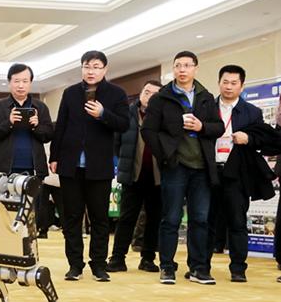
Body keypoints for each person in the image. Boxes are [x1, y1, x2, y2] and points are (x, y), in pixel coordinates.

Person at [141, 51, 224, 285]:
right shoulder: (161, 98)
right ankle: (167, 267)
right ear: (174, 69)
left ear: (196, 69)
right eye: (178, 65)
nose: (182, 70)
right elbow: (148, 130)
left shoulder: (206, 97)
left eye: (187, 65)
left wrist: (201, 126)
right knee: (171, 218)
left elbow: (218, 127)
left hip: (202, 168)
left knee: (200, 219)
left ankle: (198, 268)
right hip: (175, 167)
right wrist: (165, 156)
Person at [50, 51, 129, 282]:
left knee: (99, 217)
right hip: (70, 164)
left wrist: (103, 114)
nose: (90, 71)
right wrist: (54, 156)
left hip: (99, 165)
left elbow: (124, 124)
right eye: (86, 66)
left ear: (105, 69)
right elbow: (61, 126)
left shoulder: (116, 93)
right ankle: (75, 265)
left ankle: (98, 265)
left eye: (96, 67)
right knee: (72, 217)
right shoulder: (70, 92)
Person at [205, 65, 264, 282]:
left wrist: (248, 139)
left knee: (237, 222)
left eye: (233, 83)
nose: (228, 87)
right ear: (219, 83)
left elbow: (262, 139)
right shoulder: (207, 108)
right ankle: (201, 266)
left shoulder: (252, 112)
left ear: (242, 86)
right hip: (209, 172)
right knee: (205, 221)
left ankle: (238, 269)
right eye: (225, 82)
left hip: (236, 173)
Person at [0, 63, 54, 235]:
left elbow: (48, 135)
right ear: (9, 82)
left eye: (25, 81)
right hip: (5, 170)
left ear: (30, 83)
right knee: (6, 215)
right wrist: (8, 122)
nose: (21, 85)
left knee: (31, 216)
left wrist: (37, 126)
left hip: (34, 170)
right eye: (16, 81)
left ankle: (28, 248)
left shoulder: (40, 107)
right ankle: (7, 247)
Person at [107, 80, 163, 274]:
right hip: (132, 174)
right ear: (140, 94)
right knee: (126, 218)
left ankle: (148, 258)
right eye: (147, 92)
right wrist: (126, 162)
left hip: (158, 176)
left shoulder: (165, 116)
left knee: (154, 219)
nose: (150, 96)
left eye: (155, 94)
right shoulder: (127, 114)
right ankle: (117, 258)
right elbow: (116, 144)